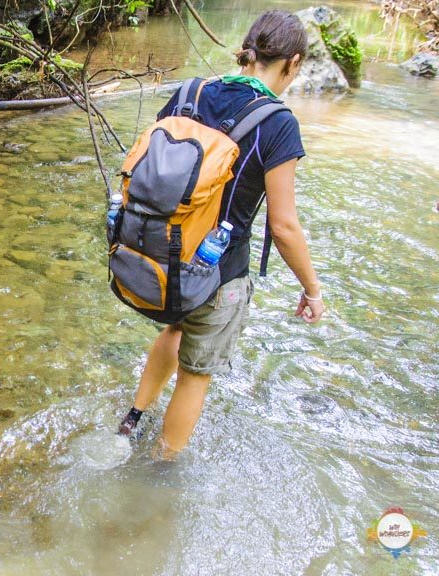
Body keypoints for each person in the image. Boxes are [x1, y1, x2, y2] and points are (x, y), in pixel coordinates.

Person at [116, 10, 326, 459]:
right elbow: (284, 226)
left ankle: (131, 418)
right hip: (217, 272)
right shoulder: (278, 123)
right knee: (195, 375)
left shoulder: (191, 91)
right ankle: (160, 466)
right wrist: (312, 289)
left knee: (173, 328)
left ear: (246, 50)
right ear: (292, 63)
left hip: (166, 255)